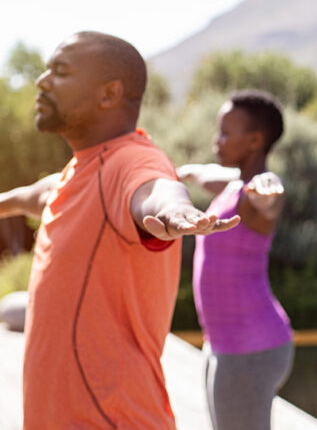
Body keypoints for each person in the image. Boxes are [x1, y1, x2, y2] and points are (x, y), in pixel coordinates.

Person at [0, 31, 239, 428]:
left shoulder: (130, 161)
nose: (42, 81)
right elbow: (33, 194)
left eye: (60, 71)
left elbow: (157, 189)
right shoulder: (78, 172)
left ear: (109, 94)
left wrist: (176, 211)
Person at [178, 89, 293, 430]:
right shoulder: (231, 184)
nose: (217, 140)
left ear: (255, 140)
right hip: (225, 343)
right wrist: (182, 170)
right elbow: (206, 173)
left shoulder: (254, 193)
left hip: (250, 347)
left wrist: (268, 192)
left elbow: (269, 198)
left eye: (226, 132)